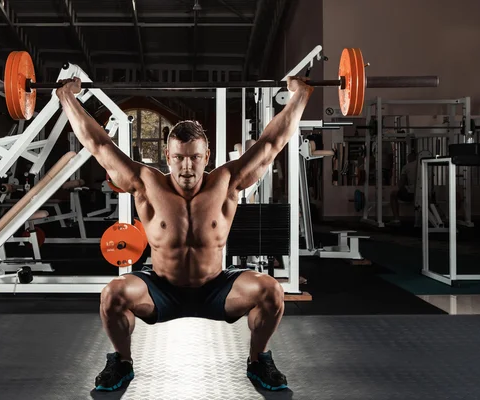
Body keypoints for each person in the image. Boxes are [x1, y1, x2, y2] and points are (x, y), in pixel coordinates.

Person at [56, 77, 314, 392]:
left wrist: (301, 95)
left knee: (272, 291)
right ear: (168, 156)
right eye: (179, 157)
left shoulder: (227, 181)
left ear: (207, 157)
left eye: (194, 157)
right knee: (112, 295)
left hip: (216, 288)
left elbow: (271, 145)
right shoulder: (146, 182)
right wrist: (66, 97)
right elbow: (98, 145)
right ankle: (121, 362)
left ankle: (258, 359)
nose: (187, 166)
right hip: (160, 289)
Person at [389, 152, 418, 224]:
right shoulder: (424, 165)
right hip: (424, 194)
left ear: (409, 159)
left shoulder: (406, 167)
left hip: (411, 194)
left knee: (393, 194)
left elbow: (401, 184)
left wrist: (404, 187)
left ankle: (396, 219)